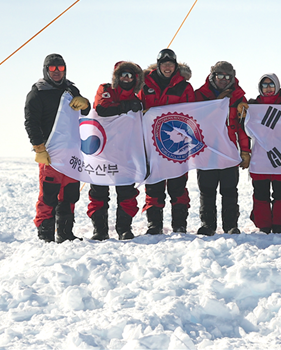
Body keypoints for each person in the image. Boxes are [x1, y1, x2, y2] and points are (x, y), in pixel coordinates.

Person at [24, 53, 91, 243]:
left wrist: (86, 104)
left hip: (71, 153)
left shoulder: (71, 89)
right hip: (50, 154)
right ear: (46, 70)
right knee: (49, 194)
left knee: (70, 194)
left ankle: (65, 233)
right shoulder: (37, 93)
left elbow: (83, 113)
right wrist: (39, 148)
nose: (56, 72)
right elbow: (31, 122)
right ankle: (45, 234)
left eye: (60, 68)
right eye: (52, 69)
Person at [87, 61, 144, 241]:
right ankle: (100, 229)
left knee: (127, 192)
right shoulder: (105, 89)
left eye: (130, 75)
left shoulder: (137, 98)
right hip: (102, 152)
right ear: (116, 77)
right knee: (98, 192)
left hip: (125, 152)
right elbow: (101, 108)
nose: (126, 78)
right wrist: (124, 107)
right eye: (123, 75)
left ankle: (124, 228)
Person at [140, 49, 195, 234]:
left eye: (171, 64)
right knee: (154, 184)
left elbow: (191, 113)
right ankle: (154, 224)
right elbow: (136, 106)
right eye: (164, 64)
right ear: (158, 65)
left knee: (178, 185)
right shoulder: (144, 83)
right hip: (151, 143)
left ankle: (179, 224)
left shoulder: (184, 86)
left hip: (175, 144)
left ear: (176, 66)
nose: (168, 67)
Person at [194, 61, 250, 235]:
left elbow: (243, 128)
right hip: (206, 150)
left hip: (228, 150)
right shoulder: (200, 95)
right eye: (220, 76)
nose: (224, 80)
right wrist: (217, 103)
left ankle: (230, 225)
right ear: (213, 76)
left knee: (229, 190)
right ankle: (208, 225)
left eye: (228, 77)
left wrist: (245, 150)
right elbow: (193, 118)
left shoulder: (239, 97)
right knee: (207, 190)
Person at [246, 74, 281, 234]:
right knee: (261, 193)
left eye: (271, 85)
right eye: (264, 85)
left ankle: (279, 224)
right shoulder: (252, 106)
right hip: (260, 157)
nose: (268, 88)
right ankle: (263, 224)